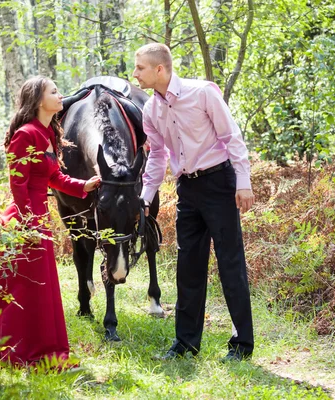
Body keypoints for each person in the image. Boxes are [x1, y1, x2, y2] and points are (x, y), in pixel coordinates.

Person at [133, 43, 255, 362]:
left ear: (160, 69)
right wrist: (146, 198)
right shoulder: (151, 110)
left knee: (230, 264)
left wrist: (243, 183)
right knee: (188, 267)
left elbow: (232, 137)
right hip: (187, 189)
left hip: (219, 183)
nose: (135, 74)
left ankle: (242, 344)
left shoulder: (202, 93)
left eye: (141, 68)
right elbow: (158, 156)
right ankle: (186, 344)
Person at [0, 76, 101, 369]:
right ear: (39, 100)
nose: (60, 95)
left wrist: (85, 185)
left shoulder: (47, 134)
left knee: (38, 290)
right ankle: (8, 351)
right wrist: (28, 222)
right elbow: (18, 183)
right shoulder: (26, 134)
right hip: (23, 220)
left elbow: (53, 177)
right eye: (54, 92)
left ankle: (41, 350)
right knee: (20, 289)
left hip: (37, 217)